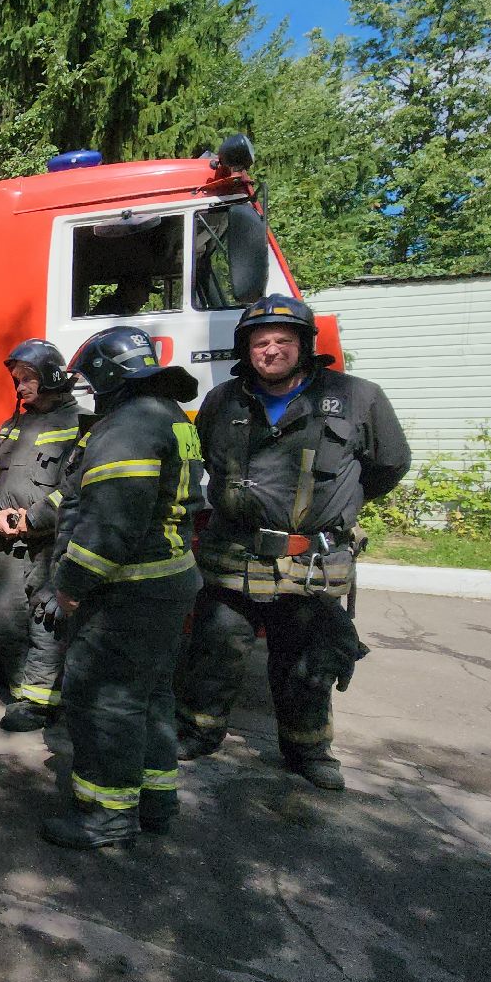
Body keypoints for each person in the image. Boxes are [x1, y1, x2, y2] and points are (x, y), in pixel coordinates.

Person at [175, 295, 411, 790]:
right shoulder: (223, 401)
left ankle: (308, 750)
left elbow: (390, 464)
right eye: (260, 342)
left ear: (305, 346)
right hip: (232, 555)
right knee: (214, 651)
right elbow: (203, 465)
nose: (271, 350)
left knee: (305, 662)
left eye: (284, 340)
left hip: (309, 563)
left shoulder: (358, 397)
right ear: (246, 350)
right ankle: (198, 732)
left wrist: (339, 507)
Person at [36, 326, 203, 850]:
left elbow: (110, 525)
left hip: (126, 594)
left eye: (89, 380)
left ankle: (105, 815)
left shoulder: (126, 427)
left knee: (102, 701)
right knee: (149, 697)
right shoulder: (170, 417)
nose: (87, 391)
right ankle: (155, 801)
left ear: (110, 375)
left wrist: (70, 584)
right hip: (166, 584)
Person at [0, 339, 82, 733]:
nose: (20, 388)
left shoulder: (78, 426)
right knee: (7, 620)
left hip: (51, 547)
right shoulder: (11, 427)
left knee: (45, 622)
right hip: (7, 546)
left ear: (52, 376)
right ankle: (24, 693)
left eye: (28, 379)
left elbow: (76, 488)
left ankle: (40, 704)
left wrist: (32, 519)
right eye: (17, 380)